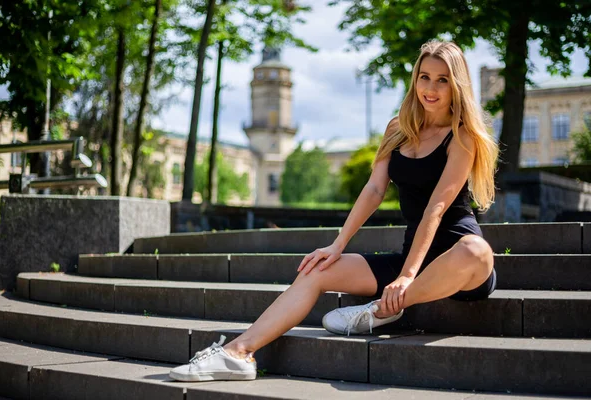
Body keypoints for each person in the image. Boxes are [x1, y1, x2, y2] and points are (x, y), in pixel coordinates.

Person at [170, 39, 499, 382]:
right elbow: (373, 189)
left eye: (442, 80)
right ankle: (237, 353)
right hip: (410, 257)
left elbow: (438, 206)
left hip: (459, 259)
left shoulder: (464, 137)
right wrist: (337, 245)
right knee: (316, 270)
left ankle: (380, 311)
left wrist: (405, 278)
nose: (430, 88)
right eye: (424, 77)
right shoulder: (398, 128)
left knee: (475, 250)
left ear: (456, 85)